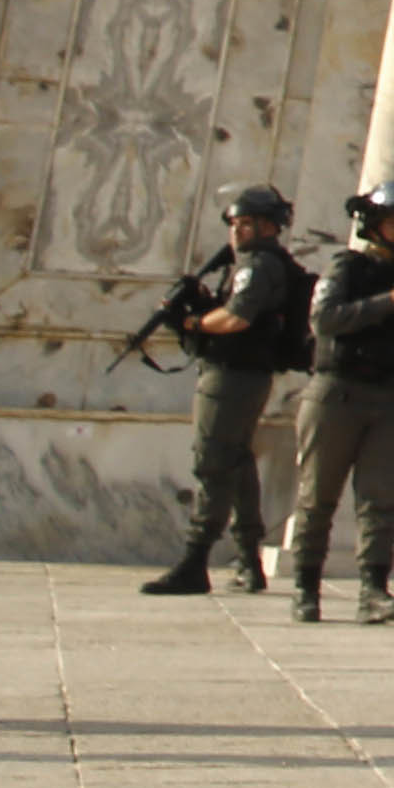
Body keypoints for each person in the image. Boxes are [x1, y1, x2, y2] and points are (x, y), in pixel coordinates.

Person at [286, 177, 394, 623]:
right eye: (393, 219)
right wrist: (386, 304)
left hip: (392, 395)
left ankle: (373, 590)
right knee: (318, 495)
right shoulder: (348, 268)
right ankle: (305, 587)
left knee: (382, 497)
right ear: (374, 223)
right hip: (339, 391)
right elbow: (326, 319)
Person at [137, 185, 311, 598]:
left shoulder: (258, 264)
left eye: (246, 223)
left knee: (212, 463)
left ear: (269, 227)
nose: (237, 232)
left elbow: (236, 319)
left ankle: (195, 561)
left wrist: (194, 324)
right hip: (242, 374)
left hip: (233, 376)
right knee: (236, 463)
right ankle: (249, 561)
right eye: (235, 224)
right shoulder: (257, 264)